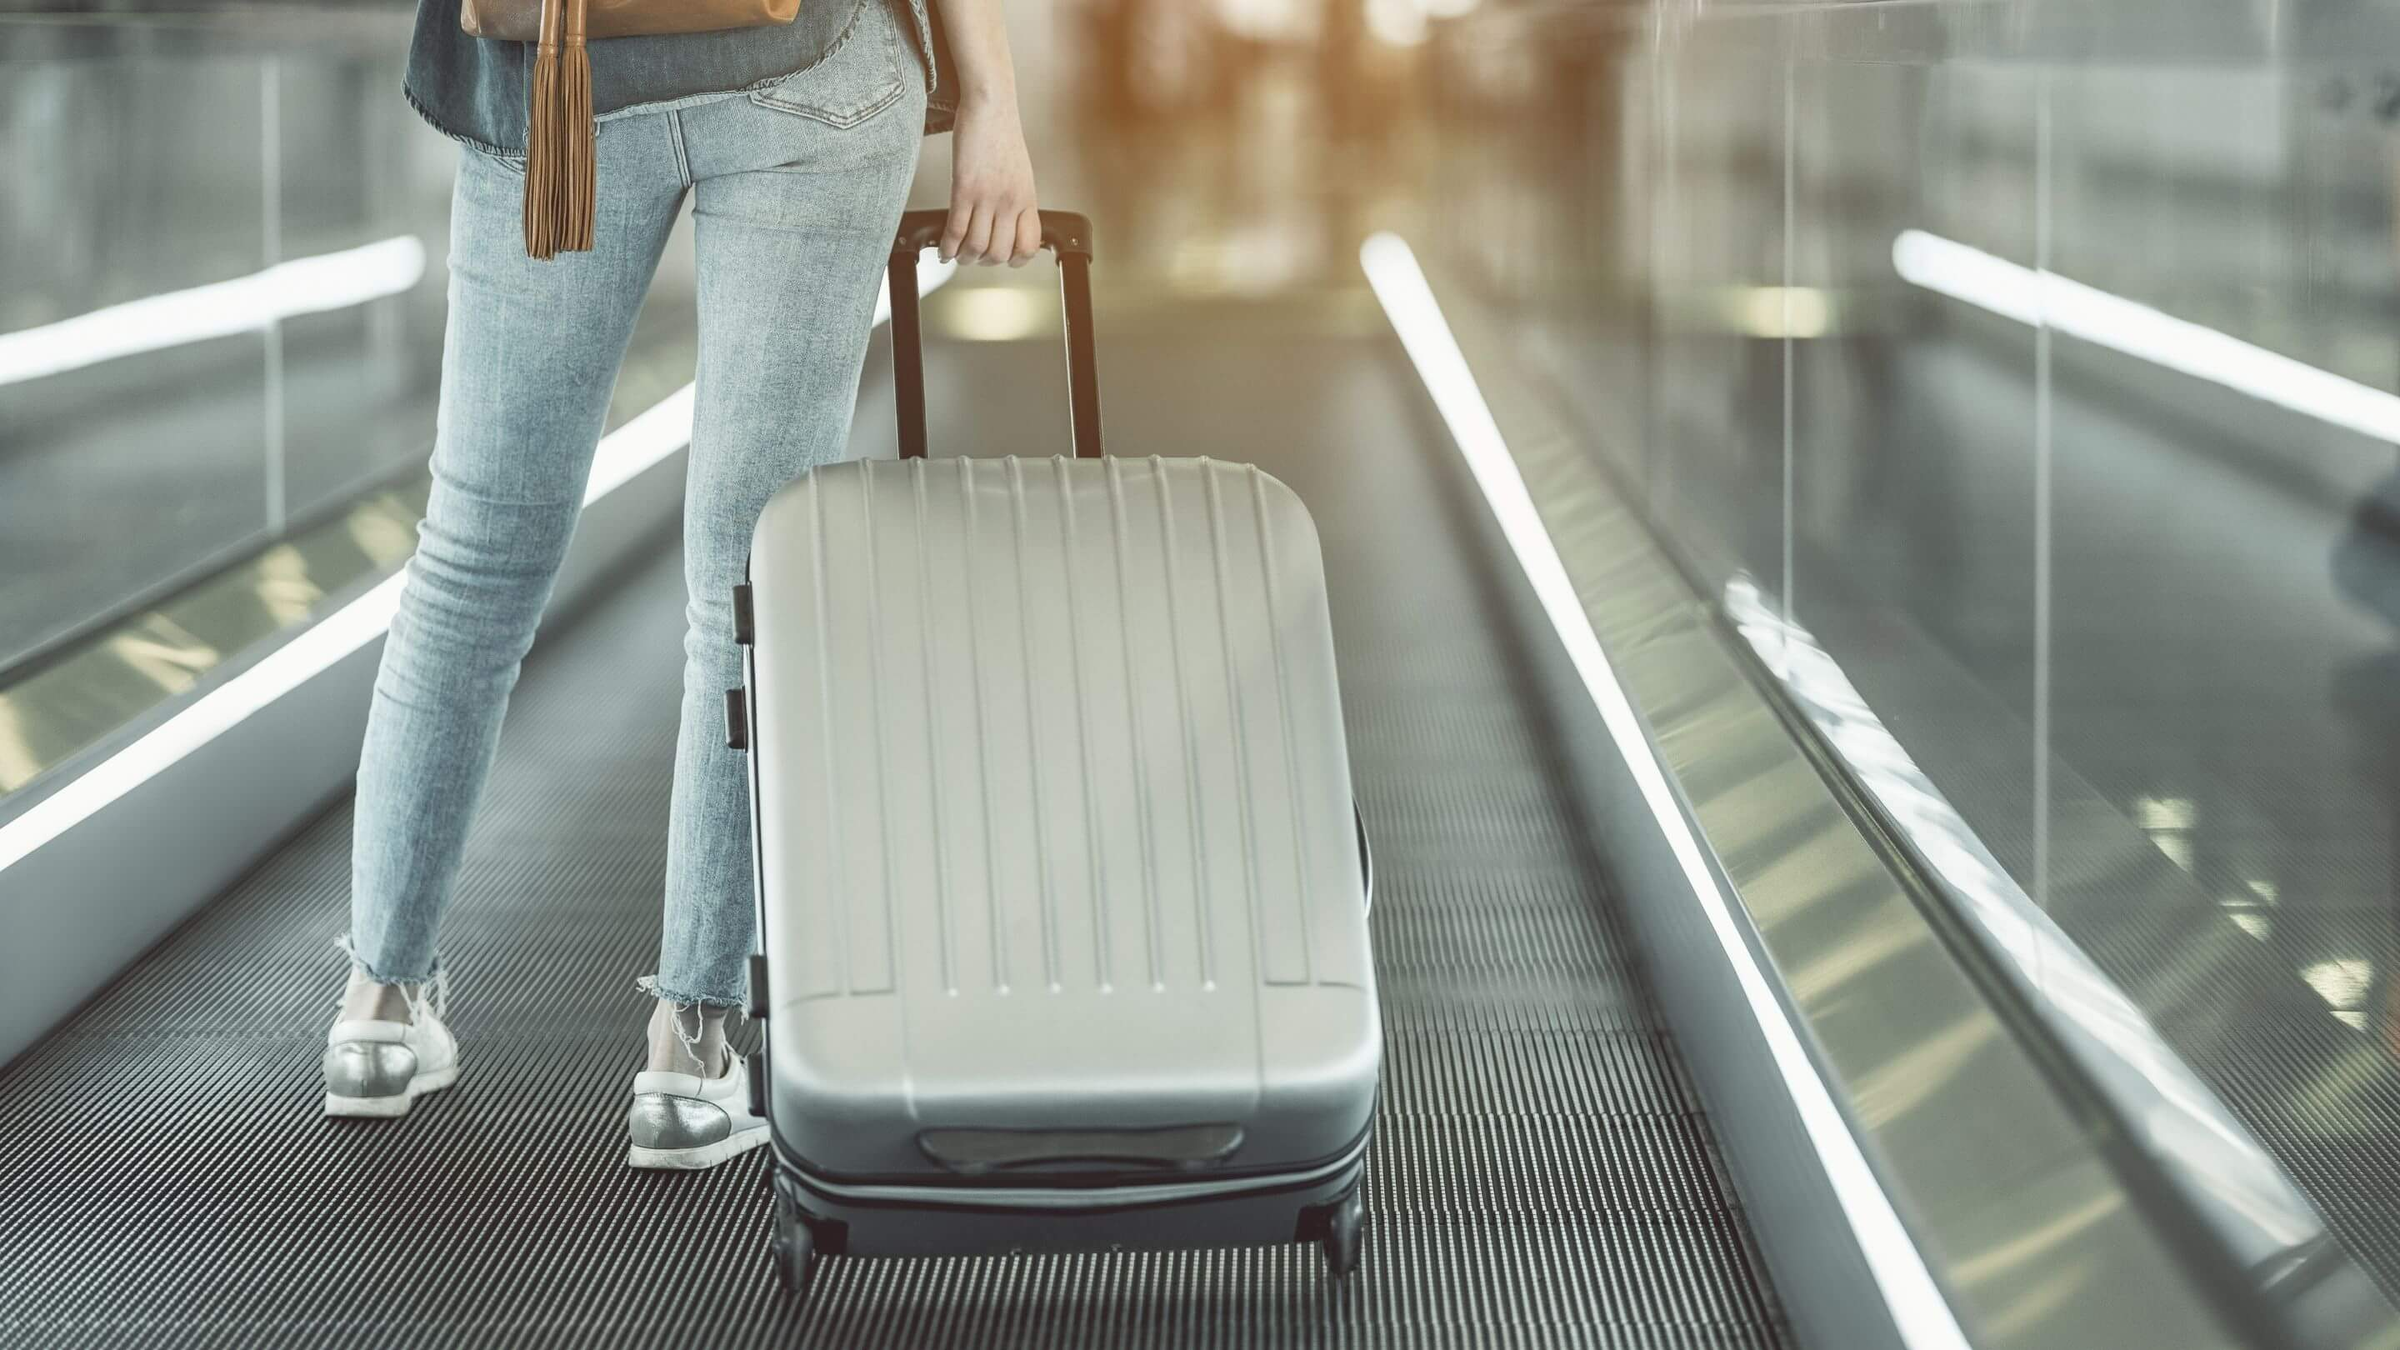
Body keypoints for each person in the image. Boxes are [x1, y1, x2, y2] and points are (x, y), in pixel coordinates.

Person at [320, 0, 1041, 1169]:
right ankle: (693, 1051)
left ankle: (379, 1010)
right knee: (745, 581)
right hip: (807, 73)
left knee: (473, 556)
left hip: (554, 82)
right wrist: (994, 106)